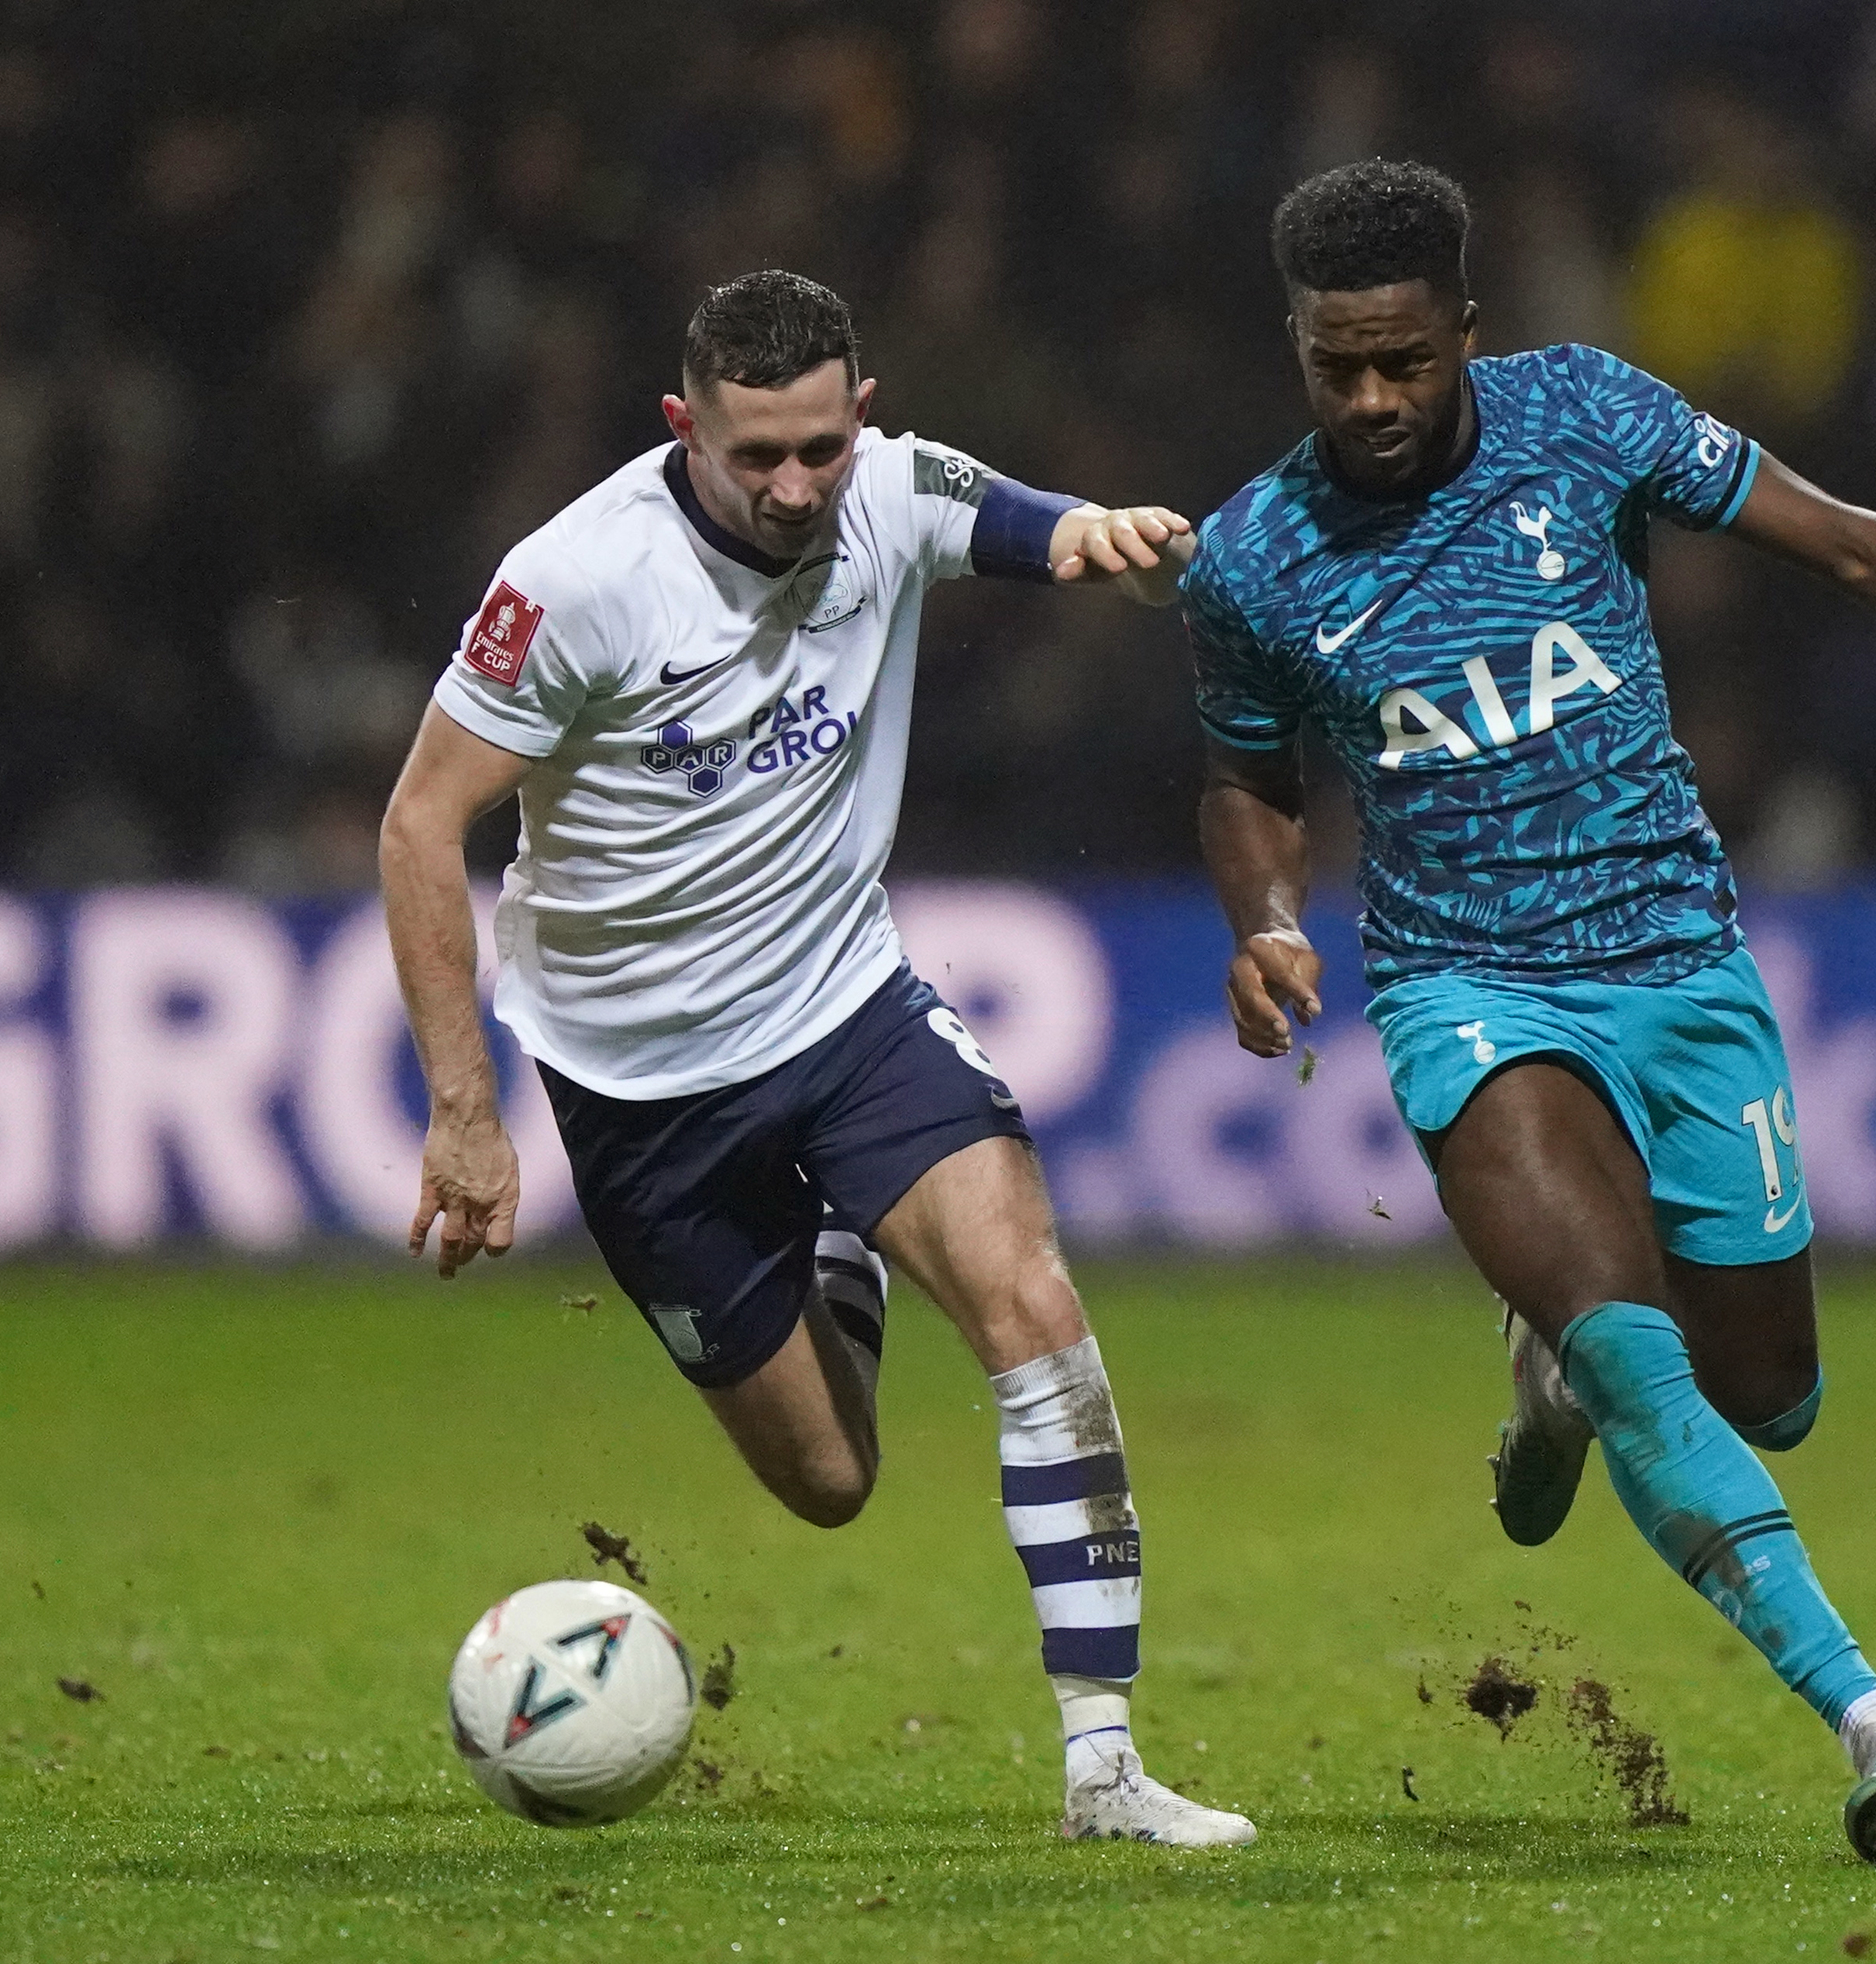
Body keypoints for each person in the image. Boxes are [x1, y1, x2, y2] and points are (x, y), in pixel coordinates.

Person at [1182, 161, 1876, 1867]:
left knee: (1766, 1391)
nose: (1370, 399)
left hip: (1677, 961)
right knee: (1637, 1354)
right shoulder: (1248, 556)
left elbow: (1839, 543)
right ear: (1296, 347)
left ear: (1467, 332)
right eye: (1335, 368)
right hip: (1465, 987)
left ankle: (1549, 1383)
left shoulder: (1586, 415)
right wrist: (1263, 918)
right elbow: (1248, 773)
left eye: (1402, 361)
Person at [379, 269, 1250, 1849]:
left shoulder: (892, 492)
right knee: (829, 1479)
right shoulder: (575, 579)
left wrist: (1117, 544)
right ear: (682, 428)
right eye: (752, 457)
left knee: (1030, 1309)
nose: (792, 489)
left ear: (860, 410)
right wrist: (466, 1113)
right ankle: (837, 1240)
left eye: (817, 451)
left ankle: (1105, 1767)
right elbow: (421, 823)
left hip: (846, 1016)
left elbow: (1046, 527)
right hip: (639, 1094)